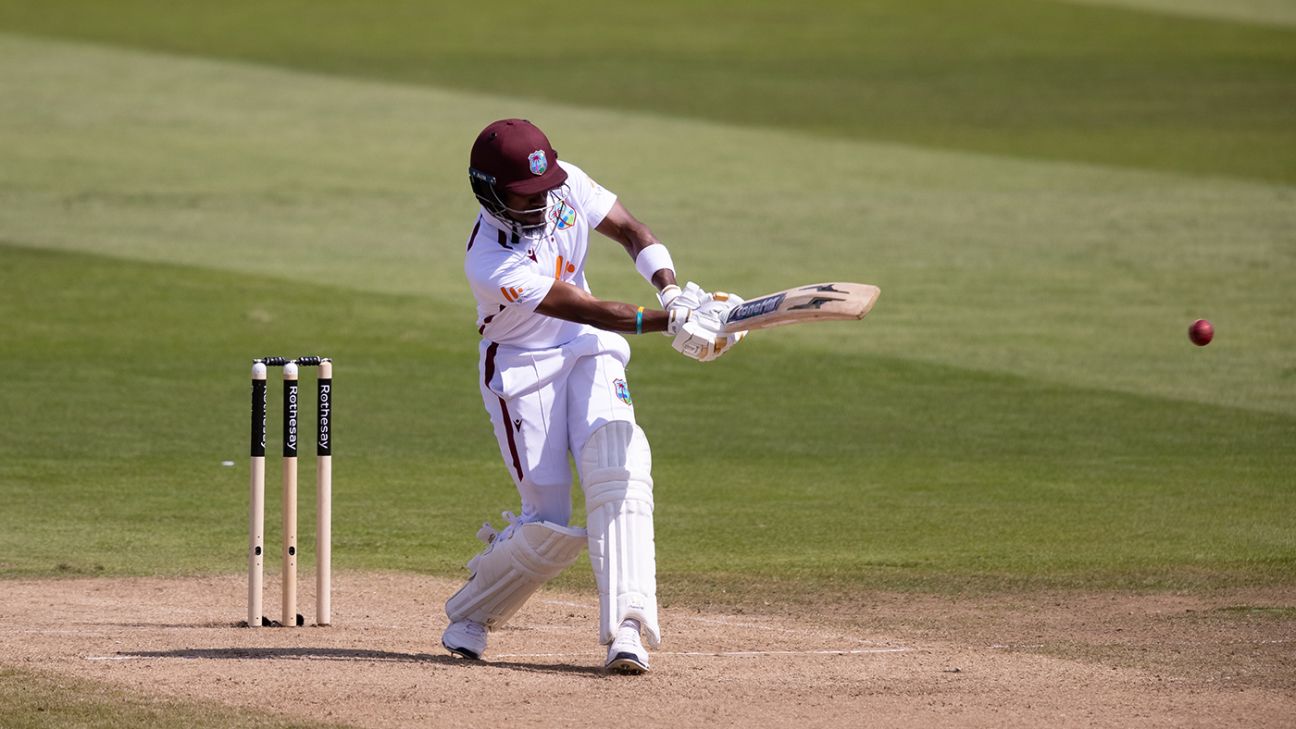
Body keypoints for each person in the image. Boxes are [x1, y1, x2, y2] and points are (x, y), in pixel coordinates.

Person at [441, 118, 745, 674]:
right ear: (489, 192)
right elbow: (577, 304)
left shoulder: (565, 184)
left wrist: (673, 292)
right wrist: (671, 322)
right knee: (548, 522)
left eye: (545, 187)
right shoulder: (489, 261)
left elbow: (632, 230)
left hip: (589, 346)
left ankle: (627, 629)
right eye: (524, 195)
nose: (542, 201)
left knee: (620, 470)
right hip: (522, 368)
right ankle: (471, 612)